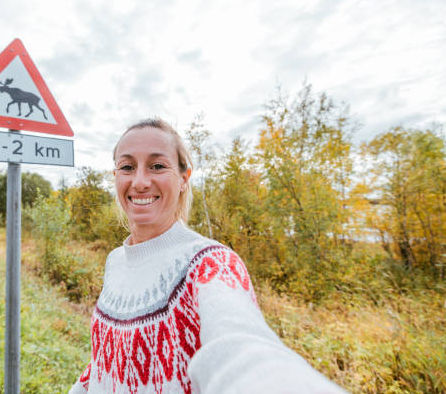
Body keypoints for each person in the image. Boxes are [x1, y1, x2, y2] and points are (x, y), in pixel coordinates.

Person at [68, 118, 346, 394]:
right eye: (127, 167)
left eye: (157, 166)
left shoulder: (209, 263)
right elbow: (106, 360)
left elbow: (241, 345)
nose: (140, 181)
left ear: (183, 180)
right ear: (116, 177)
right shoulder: (115, 260)